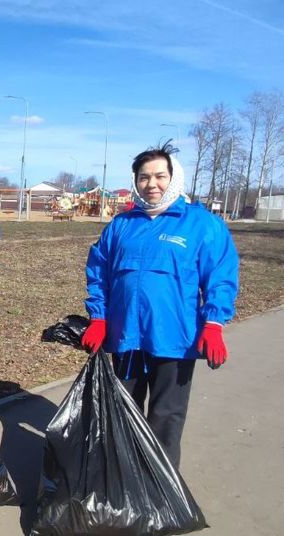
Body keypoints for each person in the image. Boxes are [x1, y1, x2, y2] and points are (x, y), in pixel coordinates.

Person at [81, 142, 238, 469]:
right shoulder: (122, 226)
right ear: (136, 181)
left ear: (174, 177)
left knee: (166, 416)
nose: (151, 184)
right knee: (124, 413)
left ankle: (162, 492)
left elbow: (221, 276)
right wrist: (99, 318)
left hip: (175, 340)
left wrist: (214, 324)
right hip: (127, 339)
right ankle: (126, 480)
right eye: (144, 177)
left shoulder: (200, 224)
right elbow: (98, 271)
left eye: (159, 176)